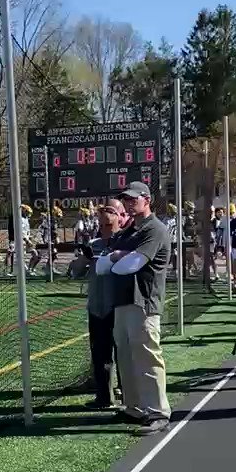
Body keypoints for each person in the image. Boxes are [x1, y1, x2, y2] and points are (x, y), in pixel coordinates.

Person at [96, 182, 171, 433]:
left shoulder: (155, 230)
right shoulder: (128, 232)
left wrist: (117, 257)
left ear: (146, 200)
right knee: (126, 358)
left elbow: (129, 265)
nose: (128, 203)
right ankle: (135, 408)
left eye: (132, 199)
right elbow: (103, 265)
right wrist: (116, 257)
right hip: (123, 301)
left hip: (144, 302)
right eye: (125, 199)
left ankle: (158, 412)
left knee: (147, 357)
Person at [84, 204, 124, 409]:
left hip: (117, 306)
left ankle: (127, 394)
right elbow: (78, 271)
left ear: (119, 219)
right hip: (96, 306)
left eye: (108, 223)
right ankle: (104, 397)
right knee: (99, 354)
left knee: (122, 353)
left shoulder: (125, 242)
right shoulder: (93, 243)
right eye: (101, 224)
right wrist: (84, 261)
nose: (104, 228)